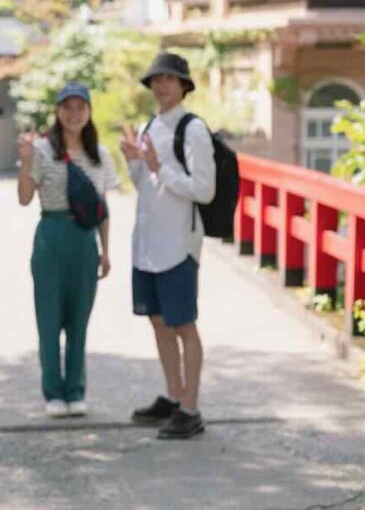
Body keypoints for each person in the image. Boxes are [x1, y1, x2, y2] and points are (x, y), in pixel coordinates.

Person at [120, 52, 216, 440]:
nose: (161, 85)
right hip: (147, 244)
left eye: (169, 79)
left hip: (178, 244)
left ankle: (190, 409)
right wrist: (134, 161)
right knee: (158, 320)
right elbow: (144, 184)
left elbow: (204, 190)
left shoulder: (193, 130)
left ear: (183, 86)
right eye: (156, 79)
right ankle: (173, 394)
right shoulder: (149, 125)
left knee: (183, 324)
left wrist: (161, 168)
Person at [17, 82, 119, 418]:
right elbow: (25, 198)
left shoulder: (99, 154)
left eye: (80, 107)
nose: (74, 114)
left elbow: (102, 207)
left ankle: (76, 390)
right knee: (49, 319)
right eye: (67, 107)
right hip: (51, 234)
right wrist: (25, 162)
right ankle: (53, 392)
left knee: (79, 321)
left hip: (84, 239)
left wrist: (105, 250)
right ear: (58, 111)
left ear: (89, 112)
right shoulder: (43, 149)